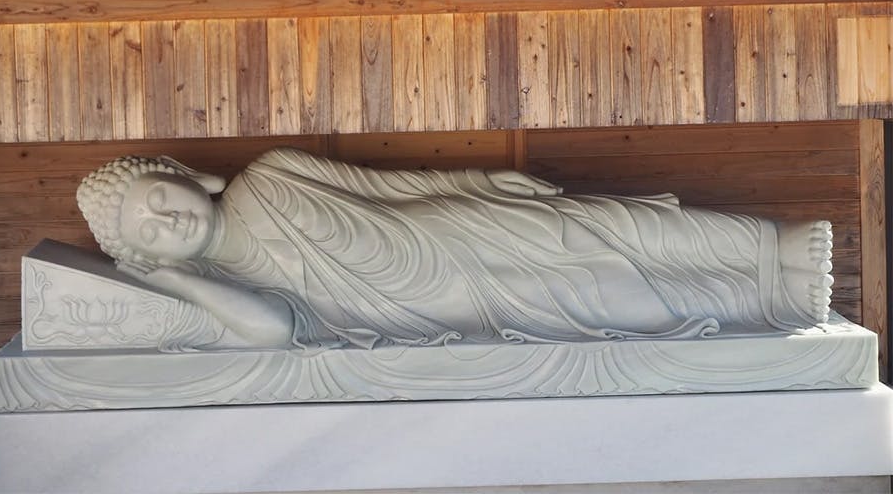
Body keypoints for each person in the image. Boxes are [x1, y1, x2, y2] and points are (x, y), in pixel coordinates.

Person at [76, 147, 834, 350]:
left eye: (159, 202)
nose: (166, 223)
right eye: (149, 236)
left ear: (186, 177)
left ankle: (772, 247)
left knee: (600, 225)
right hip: (436, 304)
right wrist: (173, 279)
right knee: (610, 302)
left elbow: (386, 187)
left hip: (451, 223)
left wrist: (480, 175)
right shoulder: (231, 283)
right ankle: (765, 301)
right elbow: (275, 332)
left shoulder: (271, 174)